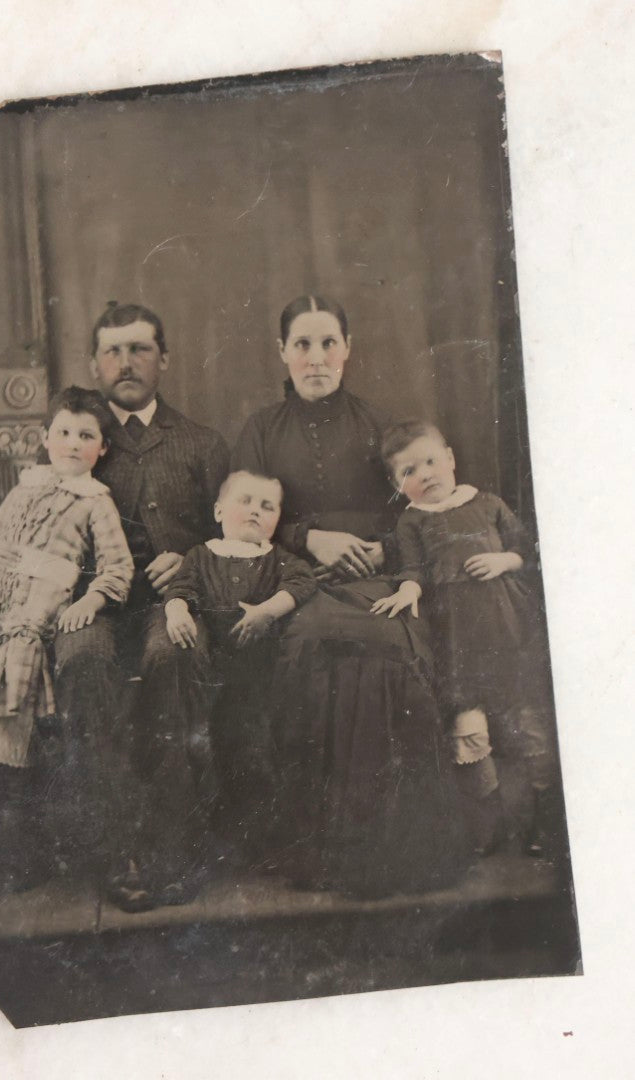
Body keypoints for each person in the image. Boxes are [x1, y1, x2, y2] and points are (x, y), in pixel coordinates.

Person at [232, 294, 466, 897]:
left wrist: (385, 551)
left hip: (377, 579)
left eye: (328, 343)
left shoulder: (380, 424)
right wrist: (311, 536)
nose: (316, 358)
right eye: (303, 345)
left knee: (386, 643)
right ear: (281, 352)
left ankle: (391, 851)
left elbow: (415, 509)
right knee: (312, 640)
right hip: (296, 580)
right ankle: (318, 850)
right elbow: (242, 520)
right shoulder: (260, 430)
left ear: (348, 350)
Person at [52, 300, 230, 911]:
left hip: (172, 604)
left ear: (165, 359)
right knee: (79, 661)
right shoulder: (76, 443)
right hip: (93, 603)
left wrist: (190, 558)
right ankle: (115, 845)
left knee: (172, 658)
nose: (126, 362)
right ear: (94, 363)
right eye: (113, 350)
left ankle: (175, 844)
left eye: (140, 349)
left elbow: (237, 534)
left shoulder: (203, 444)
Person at [0, 387, 133, 894]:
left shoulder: (96, 501)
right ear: (46, 438)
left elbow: (118, 567)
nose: (73, 444)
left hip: (34, 609)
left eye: (86, 436)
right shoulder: (25, 486)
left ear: (101, 449)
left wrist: (90, 601)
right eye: (64, 432)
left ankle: (24, 853)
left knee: (15, 716)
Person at [374, 419, 559, 857]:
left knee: (531, 731)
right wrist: (409, 587)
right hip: (455, 643)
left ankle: (545, 824)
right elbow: (413, 569)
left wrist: (504, 560)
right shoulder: (412, 522)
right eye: (409, 471)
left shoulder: (488, 503)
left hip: (510, 635)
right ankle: (487, 829)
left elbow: (527, 550)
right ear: (398, 486)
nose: (425, 474)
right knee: (468, 734)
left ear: (451, 458)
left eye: (431, 461)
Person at [163, 470, 317, 862]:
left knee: (253, 751)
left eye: (267, 507)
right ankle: (205, 841)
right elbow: (179, 589)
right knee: (201, 749)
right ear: (218, 510)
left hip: (256, 676)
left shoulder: (278, 559)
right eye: (244, 501)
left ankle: (264, 845)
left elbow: (301, 583)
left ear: (278, 518)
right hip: (211, 673)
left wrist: (266, 612)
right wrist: (176, 613)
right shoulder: (201, 555)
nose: (254, 512)